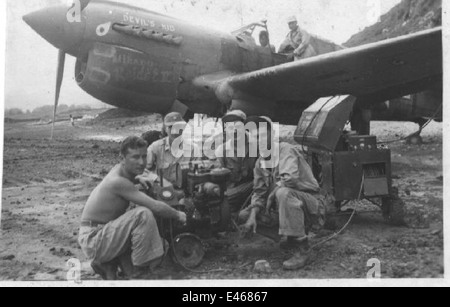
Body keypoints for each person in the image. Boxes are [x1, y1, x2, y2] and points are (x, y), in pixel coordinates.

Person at [78, 136, 187, 280]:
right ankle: (139, 270)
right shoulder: (118, 182)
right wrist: (178, 214)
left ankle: (111, 263)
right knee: (142, 214)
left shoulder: (121, 171)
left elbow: (131, 181)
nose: (141, 162)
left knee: (160, 243)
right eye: (135, 157)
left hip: (100, 232)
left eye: (144, 156)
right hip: (94, 240)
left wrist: (138, 179)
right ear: (122, 157)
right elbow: (155, 206)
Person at [239, 116, 326, 271]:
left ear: (272, 134)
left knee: (283, 193)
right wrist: (252, 217)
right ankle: (291, 237)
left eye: (261, 136)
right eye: (253, 137)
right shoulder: (260, 162)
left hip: (312, 205)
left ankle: (303, 249)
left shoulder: (285, 149)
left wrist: (272, 193)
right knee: (245, 215)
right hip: (289, 205)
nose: (258, 141)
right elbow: (258, 193)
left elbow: (290, 179)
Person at [213, 110, 257, 212]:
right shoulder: (221, 150)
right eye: (230, 127)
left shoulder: (256, 146)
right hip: (230, 192)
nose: (234, 131)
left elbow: (263, 176)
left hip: (252, 192)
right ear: (226, 130)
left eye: (238, 126)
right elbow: (218, 177)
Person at [146, 112, 198, 188]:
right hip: (161, 190)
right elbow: (144, 171)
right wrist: (158, 180)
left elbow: (199, 173)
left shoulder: (193, 149)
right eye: (171, 127)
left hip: (185, 191)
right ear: (165, 129)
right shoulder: (155, 147)